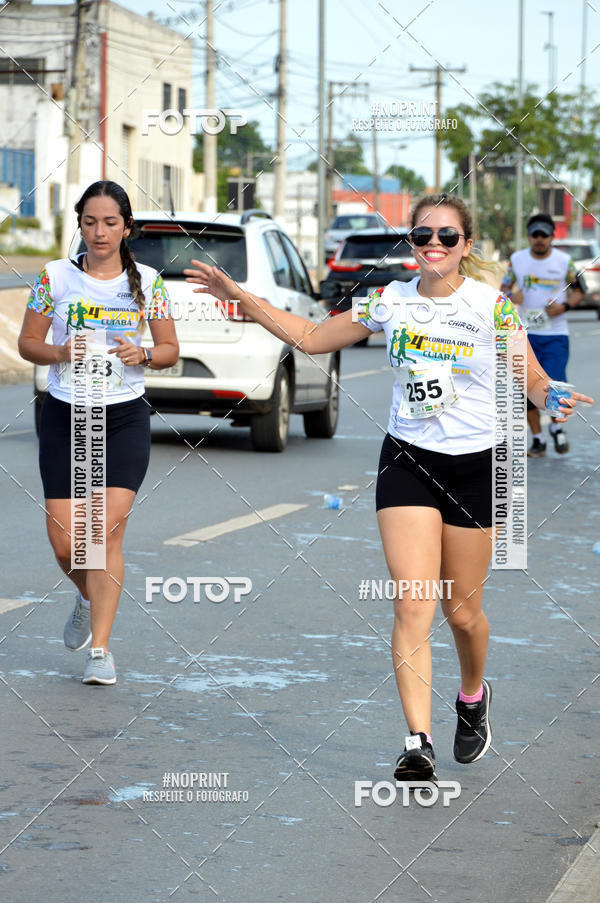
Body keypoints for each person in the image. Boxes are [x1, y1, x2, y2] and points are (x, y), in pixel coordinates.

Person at [184, 195, 592, 782]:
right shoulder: (389, 300)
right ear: (411, 240)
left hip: (477, 465)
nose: (434, 244)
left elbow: (526, 375)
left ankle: (473, 695)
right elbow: (310, 336)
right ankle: (417, 740)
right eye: (422, 234)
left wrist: (548, 394)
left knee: (463, 611)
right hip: (408, 459)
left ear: (466, 246)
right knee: (412, 601)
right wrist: (241, 296)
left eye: (447, 237)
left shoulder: (491, 307)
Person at [18, 180, 179, 686]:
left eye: (110, 222)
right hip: (67, 413)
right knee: (67, 543)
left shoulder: (147, 282)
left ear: (126, 228)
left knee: (103, 531)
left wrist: (145, 354)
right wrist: (62, 352)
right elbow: (27, 343)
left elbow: (170, 348)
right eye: (90, 222)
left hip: (125, 415)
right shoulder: (55, 278)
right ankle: (88, 595)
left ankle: (101, 651)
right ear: (80, 225)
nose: (99, 231)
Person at [501, 212, 586, 457]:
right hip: (525, 335)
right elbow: (503, 290)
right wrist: (510, 297)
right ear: (529, 236)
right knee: (526, 389)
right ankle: (537, 439)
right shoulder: (516, 260)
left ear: (552, 236)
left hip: (555, 334)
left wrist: (564, 307)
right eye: (535, 235)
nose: (539, 240)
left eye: (544, 235)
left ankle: (557, 431)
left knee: (555, 384)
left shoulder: (564, 261)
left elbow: (579, 291)